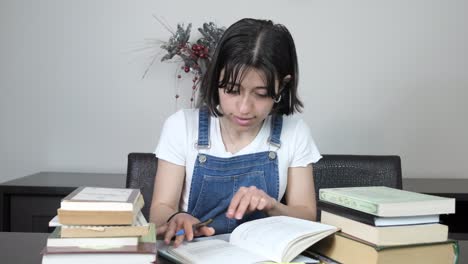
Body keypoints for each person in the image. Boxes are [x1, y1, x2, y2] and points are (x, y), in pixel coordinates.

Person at [151, 18, 322, 247]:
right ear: (215, 79)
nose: (244, 108)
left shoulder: (294, 133)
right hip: (194, 254)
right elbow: (160, 210)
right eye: (232, 90)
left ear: (282, 86)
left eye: (260, 94)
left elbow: (307, 216)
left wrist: (273, 206)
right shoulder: (181, 126)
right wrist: (175, 219)